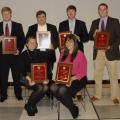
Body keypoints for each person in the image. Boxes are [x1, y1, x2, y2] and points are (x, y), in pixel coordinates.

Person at [50, 34, 87, 119]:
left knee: (62, 91)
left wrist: (71, 79)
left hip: (78, 78)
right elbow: (60, 67)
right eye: (66, 41)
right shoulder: (63, 52)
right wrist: (58, 79)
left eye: (70, 41)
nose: (68, 43)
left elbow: (83, 72)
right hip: (65, 76)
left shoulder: (80, 54)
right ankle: (73, 107)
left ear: (75, 43)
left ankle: (73, 110)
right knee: (53, 87)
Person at [89, 3, 120, 104]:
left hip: (111, 51)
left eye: (104, 9)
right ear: (98, 11)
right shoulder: (95, 22)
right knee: (98, 75)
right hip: (98, 52)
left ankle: (115, 96)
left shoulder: (115, 21)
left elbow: (118, 37)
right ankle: (97, 95)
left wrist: (110, 46)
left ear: (107, 10)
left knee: (113, 75)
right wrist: (94, 34)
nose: (102, 11)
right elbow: (90, 36)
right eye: (100, 9)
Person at [20, 36, 52, 116]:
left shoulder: (40, 53)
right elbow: (21, 70)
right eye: (31, 42)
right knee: (40, 88)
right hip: (26, 77)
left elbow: (45, 67)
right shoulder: (23, 55)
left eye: (35, 42)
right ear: (27, 44)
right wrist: (29, 79)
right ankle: (31, 105)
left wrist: (46, 78)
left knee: (45, 87)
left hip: (38, 77)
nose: (33, 44)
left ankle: (29, 104)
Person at [0, 7, 25, 102]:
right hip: (2, 57)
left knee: (16, 76)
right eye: (4, 14)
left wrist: (18, 49)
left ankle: (18, 94)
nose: (6, 15)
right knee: (3, 76)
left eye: (8, 13)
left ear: (11, 14)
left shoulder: (18, 25)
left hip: (15, 55)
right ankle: (3, 95)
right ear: (2, 15)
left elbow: (22, 39)